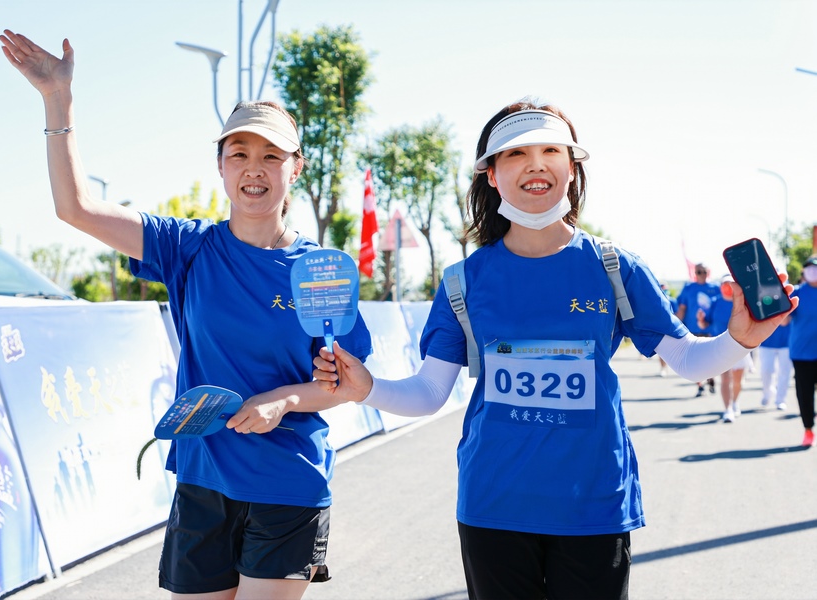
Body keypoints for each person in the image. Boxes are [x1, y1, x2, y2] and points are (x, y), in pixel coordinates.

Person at [311, 98, 795, 600]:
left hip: (594, 505)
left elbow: (690, 361)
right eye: (516, 153)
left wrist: (742, 338)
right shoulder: (463, 281)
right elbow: (431, 391)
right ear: (492, 174)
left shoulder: (615, 267)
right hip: (494, 504)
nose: (536, 164)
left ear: (572, 167)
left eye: (550, 151)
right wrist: (367, 389)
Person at [0, 30, 373, 599]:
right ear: (220, 166)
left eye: (271, 156)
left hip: (287, 484)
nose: (254, 169)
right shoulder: (187, 247)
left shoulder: (321, 271)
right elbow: (75, 208)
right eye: (239, 154)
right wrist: (58, 99)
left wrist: (284, 399)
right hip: (203, 480)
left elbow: (348, 385)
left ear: (295, 168)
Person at [698, 275, 753, 422]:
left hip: (740, 345)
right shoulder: (715, 302)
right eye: (724, 284)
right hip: (721, 346)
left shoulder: (743, 301)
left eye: (730, 284)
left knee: (737, 380)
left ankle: (735, 402)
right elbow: (704, 325)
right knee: (725, 378)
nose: (727, 287)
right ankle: (727, 409)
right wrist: (701, 320)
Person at [676, 263, 720, 397]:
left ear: (708, 272)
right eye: (698, 272)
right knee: (695, 360)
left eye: (704, 272)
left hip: (710, 330)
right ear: (695, 273)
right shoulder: (689, 288)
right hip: (692, 330)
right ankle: (700, 385)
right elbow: (682, 308)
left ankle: (711, 379)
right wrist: (674, 326)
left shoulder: (715, 288)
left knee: (710, 359)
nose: (701, 274)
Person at [790, 255, 817, 447]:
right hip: (802, 354)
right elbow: (784, 321)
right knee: (805, 394)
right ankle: (808, 429)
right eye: (809, 268)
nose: (813, 271)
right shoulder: (797, 293)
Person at [759, 317, 792, 411]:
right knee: (766, 371)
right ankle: (768, 393)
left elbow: (785, 322)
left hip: (786, 341)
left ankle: (781, 400)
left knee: (784, 372)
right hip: (766, 342)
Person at [658, 282, 679, 376]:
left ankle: (673, 366)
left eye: (665, 289)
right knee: (661, 350)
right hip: (660, 328)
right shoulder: (657, 300)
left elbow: (677, 314)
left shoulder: (673, 301)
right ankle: (663, 368)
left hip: (671, 328)